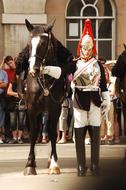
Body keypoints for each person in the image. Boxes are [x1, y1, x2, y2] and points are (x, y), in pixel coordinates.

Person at [71, 19, 110, 176]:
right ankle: (81, 166)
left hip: (95, 102)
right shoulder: (74, 64)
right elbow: (64, 75)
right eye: (84, 47)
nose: (86, 51)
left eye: (89, 48)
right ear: (81, 47)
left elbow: (103, 84)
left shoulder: (98, 64)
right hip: (79, 101)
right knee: (79, 135)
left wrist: (106, 99)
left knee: (95, 135)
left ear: (92, 48)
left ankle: (94, 165)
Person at [7, 73, 26, 144]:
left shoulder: (25, 83)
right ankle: (14, 138)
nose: (19, 76)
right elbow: (8, 92)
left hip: (22, 104)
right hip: (13, 104)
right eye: (17, 75)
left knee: (21, 122)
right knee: (13, 122)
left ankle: (19, 138)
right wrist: (17, 94)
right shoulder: (13, 82)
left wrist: (23, 95)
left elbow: (28, 94)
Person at [0, 64, 8, 143]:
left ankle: (1, 137)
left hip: (1, 98)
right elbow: (2, 84)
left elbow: (5, 85)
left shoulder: (4, 73)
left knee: (1, 118)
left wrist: (2, 84)